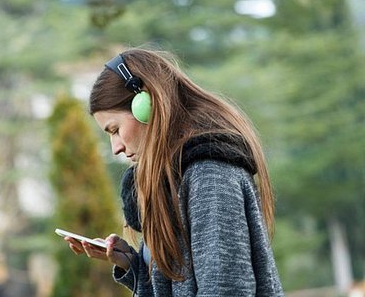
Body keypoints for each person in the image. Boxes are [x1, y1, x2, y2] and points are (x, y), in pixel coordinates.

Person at [60, 48, 284, 296]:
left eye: (115, 130)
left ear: (145, 105)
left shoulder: (210, 175)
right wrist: (133, 265)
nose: (116, 148)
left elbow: (225, 288)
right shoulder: (172, 181)